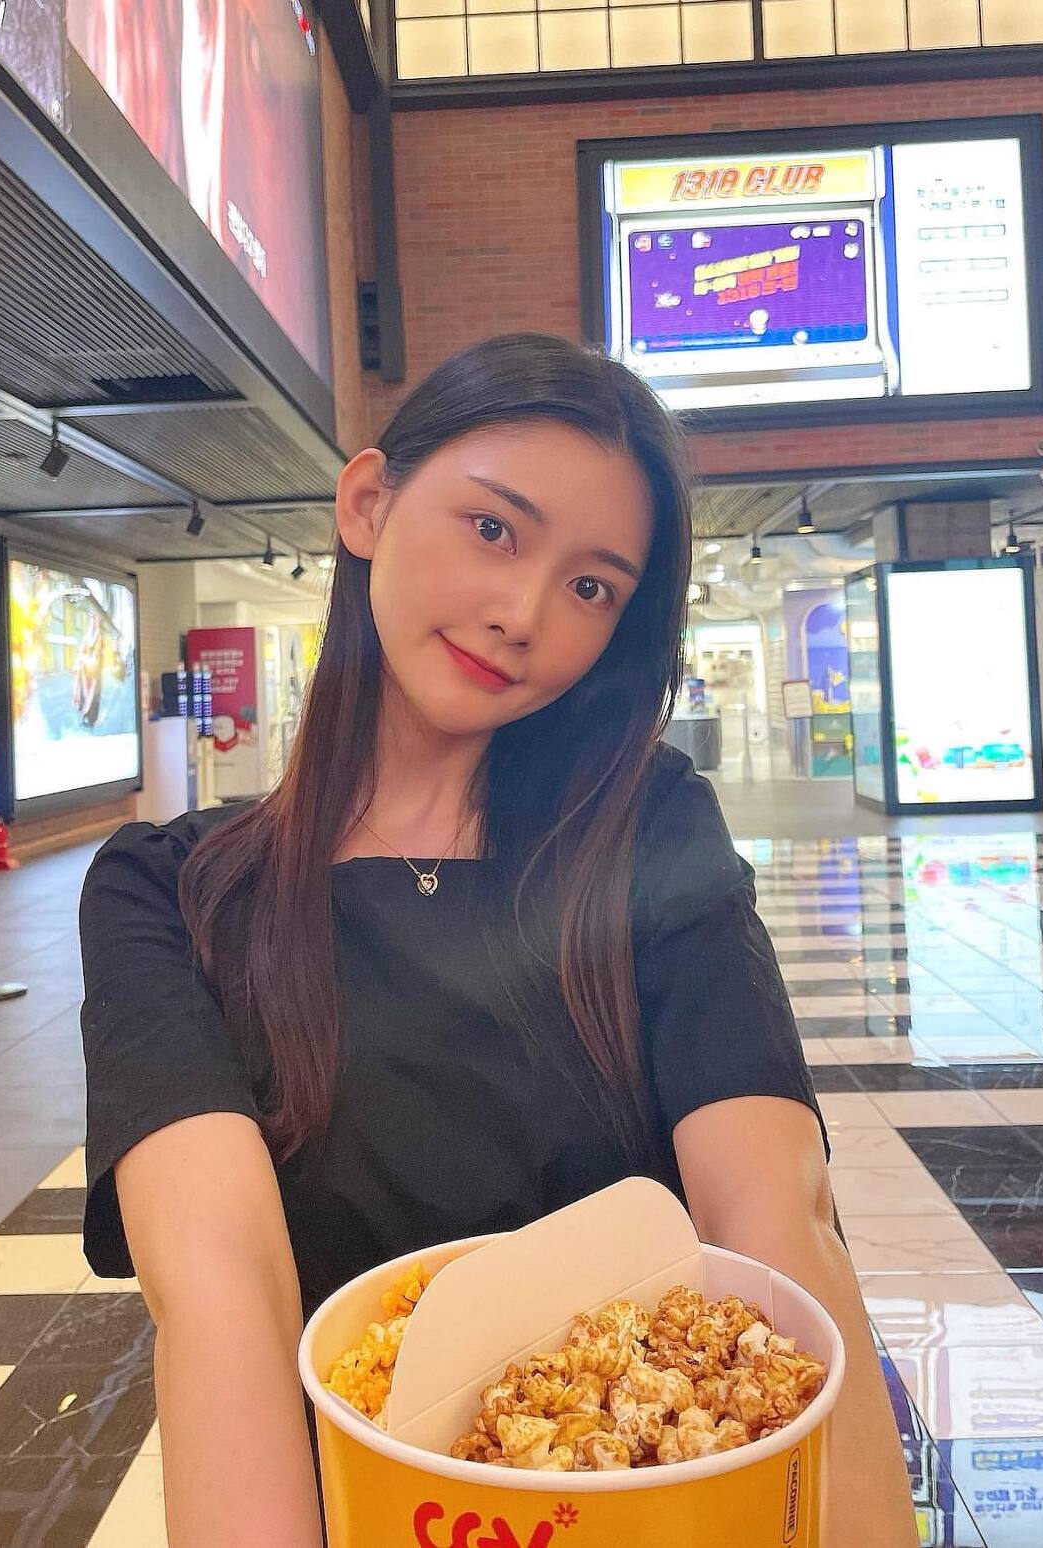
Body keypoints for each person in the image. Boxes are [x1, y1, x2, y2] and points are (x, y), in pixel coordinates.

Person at [79, 333, 918, 1547]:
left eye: (591, 588)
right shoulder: (172, 893)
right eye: (492, 529)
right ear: (367, 504)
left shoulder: (649, 833)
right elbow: (222, 1299)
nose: (522, 614)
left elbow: (774, 1220)